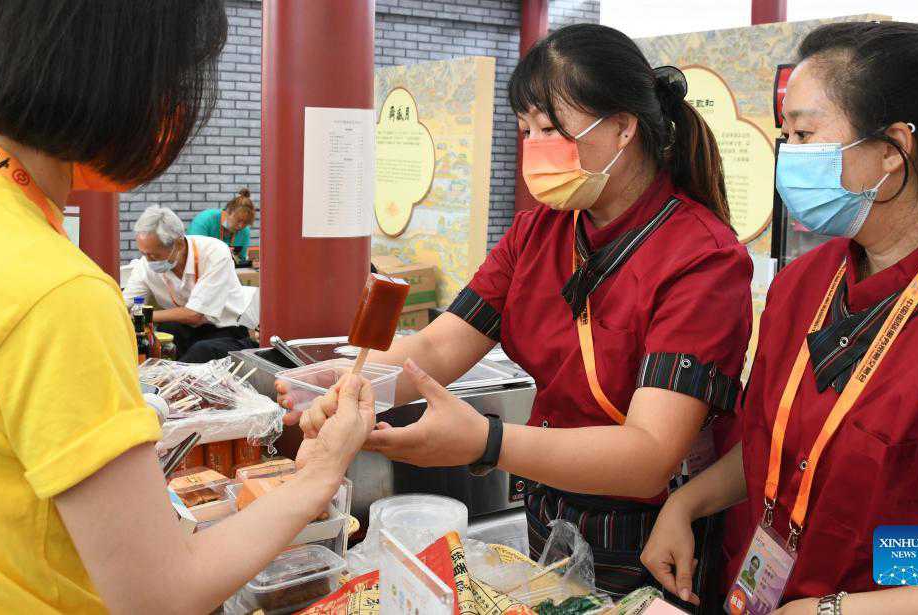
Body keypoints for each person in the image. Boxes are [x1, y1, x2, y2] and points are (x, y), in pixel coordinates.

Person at [283, 23, 752, 610]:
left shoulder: (703, 258)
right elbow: (437, 348)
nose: (534, 147)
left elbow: (649, 455)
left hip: (653, 528)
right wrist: (347, 381)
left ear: (623, 126)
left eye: (550, 129)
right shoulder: (538, 233)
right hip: (550, 504)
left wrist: (486, 441)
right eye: (526, 130)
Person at [0, 2, 374, 613]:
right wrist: (321, 472)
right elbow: (162, 596)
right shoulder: (56, 292)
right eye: (175, 81)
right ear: (118, 79)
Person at [640, 22, 918, 614]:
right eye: (784, 134)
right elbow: (775, 443)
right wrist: (686, 503)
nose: (787, 154)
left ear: (892, 149)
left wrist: (833, 611)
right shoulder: (802, 285)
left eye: (805, 134)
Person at [124, 204, 255, 361]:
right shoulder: (145, 265)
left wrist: (143, 316)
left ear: (179, 244)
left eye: (154, 255)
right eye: (144, 254)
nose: (148, 260)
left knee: (201, 351)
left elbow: (195, 315)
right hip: (183, 329)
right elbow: (125, 305)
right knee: (154, 341)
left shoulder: (214, 252)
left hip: (226, 329)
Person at [188, 187, 256, 260]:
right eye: (238, 220)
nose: (241, 226)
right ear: (228, 212)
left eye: (246, 222)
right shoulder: (205, 220)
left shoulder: (245, 231)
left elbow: (241, 260)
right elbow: (194, 253)